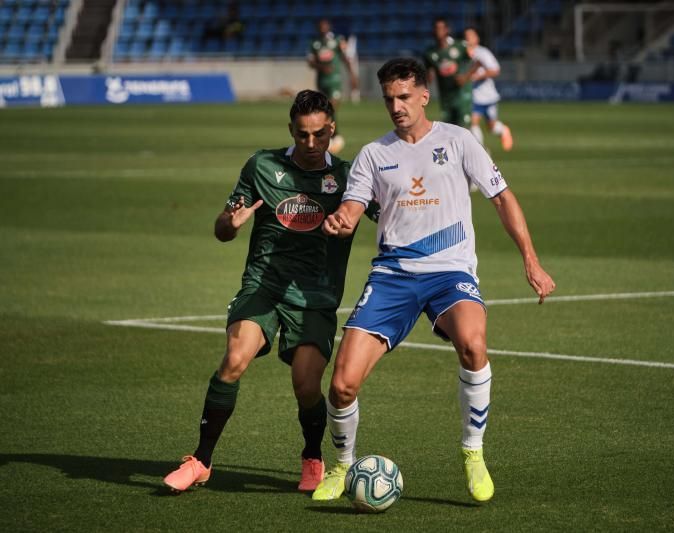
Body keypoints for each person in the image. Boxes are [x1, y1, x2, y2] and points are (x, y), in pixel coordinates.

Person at [311, 58, 555, 503]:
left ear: (424, 95)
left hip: (450, 271)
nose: (396, 107)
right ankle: (343, 465)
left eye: (404, 97)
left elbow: (502, 198)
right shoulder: (373, 154)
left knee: (473, 344)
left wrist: (531, 261)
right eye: (389, 99)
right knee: (342, 384)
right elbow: (351, 207)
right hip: (393, 275)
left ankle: (473, 453)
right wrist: (342, 222)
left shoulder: (458, 140)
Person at [163, 90, 377, 493]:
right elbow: (222, 230)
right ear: (291, 131)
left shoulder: (351, 177)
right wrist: (231, 221)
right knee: (234, 358)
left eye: (319, 135)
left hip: (315, 295)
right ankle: (201, 461)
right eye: (302, 135)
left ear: (332, 128)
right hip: (264, 284)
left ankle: (312, 455)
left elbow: (392, 217)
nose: (311, 144)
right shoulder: (262, 165)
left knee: (306, 385)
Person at [308, 18, 359, 154]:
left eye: (325, 26)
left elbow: (346, 59)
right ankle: (335, 136)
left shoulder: (337, 40)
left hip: (335, 81)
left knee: (330, 107)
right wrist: (321, 67)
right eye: (320, 26)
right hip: (322, 82)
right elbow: (311, 63)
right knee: (326, 110)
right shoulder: (315, 43)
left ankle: (334, 136)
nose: (323, 28)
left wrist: (352, 76)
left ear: (329, 26)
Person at [464, 27, 513, 151]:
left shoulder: (483, 53)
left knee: (491, 126)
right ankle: (481, 150)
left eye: (471, 36)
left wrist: (479, 76)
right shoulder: (462, 53)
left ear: (477, 38)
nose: (468, 38)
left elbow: (495, 70)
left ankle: (503, 130)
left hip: (488, 95)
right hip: (473, 96)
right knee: (473, 122)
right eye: (466, 36)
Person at [423, 17, 474, 129]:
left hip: (462, 95)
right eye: (436, 28)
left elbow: (476, 62)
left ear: (447, 30)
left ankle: (479, 147)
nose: (438, 31)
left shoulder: (460, 46)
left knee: (464, 130)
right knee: (449, 131)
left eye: (441, 28)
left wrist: (465, 77)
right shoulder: (430, 53)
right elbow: (429, 75)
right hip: (446, 98)